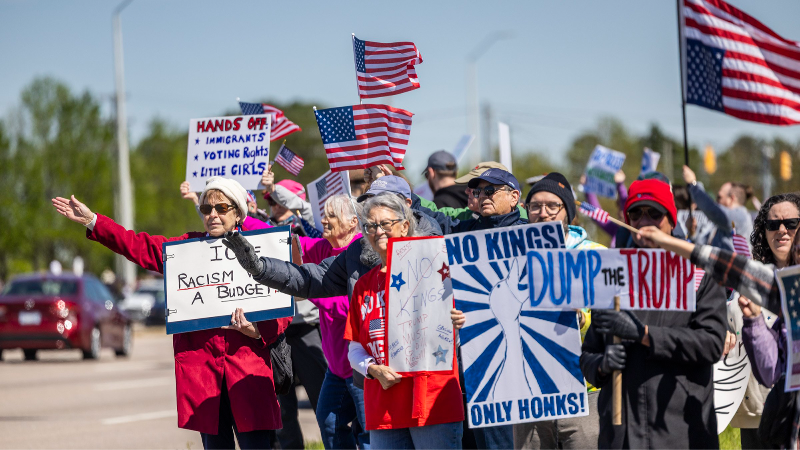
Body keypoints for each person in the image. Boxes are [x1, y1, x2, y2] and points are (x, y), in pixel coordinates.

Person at [51, 177, 291, 449]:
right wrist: (93, 220)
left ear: (237, 212)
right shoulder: (186, 249)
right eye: (206, 209)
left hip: (247, 374)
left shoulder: (263, 249)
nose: (212, 214)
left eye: (221, 208)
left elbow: (282, 305)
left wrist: (257, 329)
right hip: (205, 379)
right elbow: (137, 245)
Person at [580, 178, 728, 449]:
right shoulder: (613, 273)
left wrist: (645, 335)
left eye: (654, 213)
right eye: (635, 213)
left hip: (681, 433)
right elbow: (588, 356)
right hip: (621, 436)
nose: (643, 220)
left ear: (671, 221)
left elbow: (711, 344)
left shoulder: (698, 273)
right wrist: (602, 365)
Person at [249, 194, 370, 449]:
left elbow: (351, 307)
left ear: (352, 223)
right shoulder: (323, 247)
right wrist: (241, 218)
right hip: (337, 369)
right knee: (329, 426)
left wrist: (312, 294)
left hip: (361, 367)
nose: (323, 220)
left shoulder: (362, 251)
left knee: (368, 435)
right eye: (324, 214)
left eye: (331, 216)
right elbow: (278, 235)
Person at [345, 192, 465, 449]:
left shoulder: (437, 271)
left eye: (386, 223)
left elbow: (455, 337)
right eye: (371, 225)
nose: (379, 231)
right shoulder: (364, 284)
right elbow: (355, 347)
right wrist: (372, 369)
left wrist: (455, 326)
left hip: (432, 402)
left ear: (405, 225)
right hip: (384, 407)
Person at [514, 172, 604, 449]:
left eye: (553, 205)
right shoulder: (505, 256)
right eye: (535, 206)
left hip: (584, 392)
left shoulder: (595, 255)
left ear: (569, 212)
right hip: (528, 393)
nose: (543, 213)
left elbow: (615, 320)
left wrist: (581, 316)